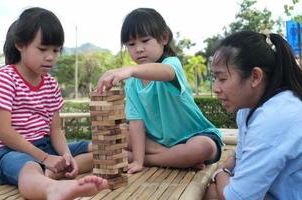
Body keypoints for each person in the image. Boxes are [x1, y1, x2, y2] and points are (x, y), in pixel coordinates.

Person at [0, 7, 107, 200]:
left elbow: (55, 130)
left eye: (56, 50)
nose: (50, 56)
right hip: (6, 152)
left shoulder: (50, 83)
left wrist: (65, 155)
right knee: (28, 166)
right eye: (42, 49)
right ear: (20, 44)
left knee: (96, 152)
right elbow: (3, 132)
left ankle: (52, 172)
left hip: (43, 147)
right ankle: (51, 188)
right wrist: (44, 158)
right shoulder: (5, 78)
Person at [96, 8, 223, 174]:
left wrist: (130, 70)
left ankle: (162, 159)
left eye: (145, 40)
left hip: (194, 136)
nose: (139, 49)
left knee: (202, 148)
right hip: (158, 143)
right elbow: (136, 122)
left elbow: (166, 72)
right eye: (131, 44)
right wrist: (137, 161)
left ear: (163, 38)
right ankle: (177, 159)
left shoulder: (171, 64)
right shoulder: (133, 83)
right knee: (119, 133)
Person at [204, 30, 302, 200]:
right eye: (215, 78)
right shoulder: (247, 110)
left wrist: (220, 172)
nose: (216, 88)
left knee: (213, 193)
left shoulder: (275, 117)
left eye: (223, 79)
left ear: (255, 77)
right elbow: (240, 160)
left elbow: (236, 197)